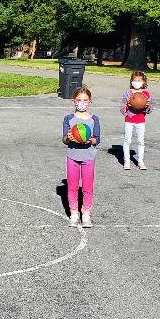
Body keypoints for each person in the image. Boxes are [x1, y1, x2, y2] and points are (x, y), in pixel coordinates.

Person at [62, 86, 100, 228]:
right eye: (79, 100)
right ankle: (74, 213)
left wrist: (90, 139)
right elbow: (64, 139)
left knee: (87, 186)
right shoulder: (69, 119)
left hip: (88, 157)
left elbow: (97, 139)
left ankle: (86, 213)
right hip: (72, 156)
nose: (82, 103)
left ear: (90, 101)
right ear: (74, 101)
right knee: (72, 186)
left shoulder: (94, 119)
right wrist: (69, 137)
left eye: (85, 100)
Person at [120, 70, 153, 170]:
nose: (137, 82)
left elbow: (150, 110)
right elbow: (121, 108)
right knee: (127, 140)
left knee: (141, 141)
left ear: (143, 82)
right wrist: (127, 105)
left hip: (140, 120)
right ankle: (126, 161)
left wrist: (147, 106)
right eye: (134, 80)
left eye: (139, 80)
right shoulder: (127, 93)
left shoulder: (146, 94)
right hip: (129, 120)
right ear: (131, 81)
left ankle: (140, 161)